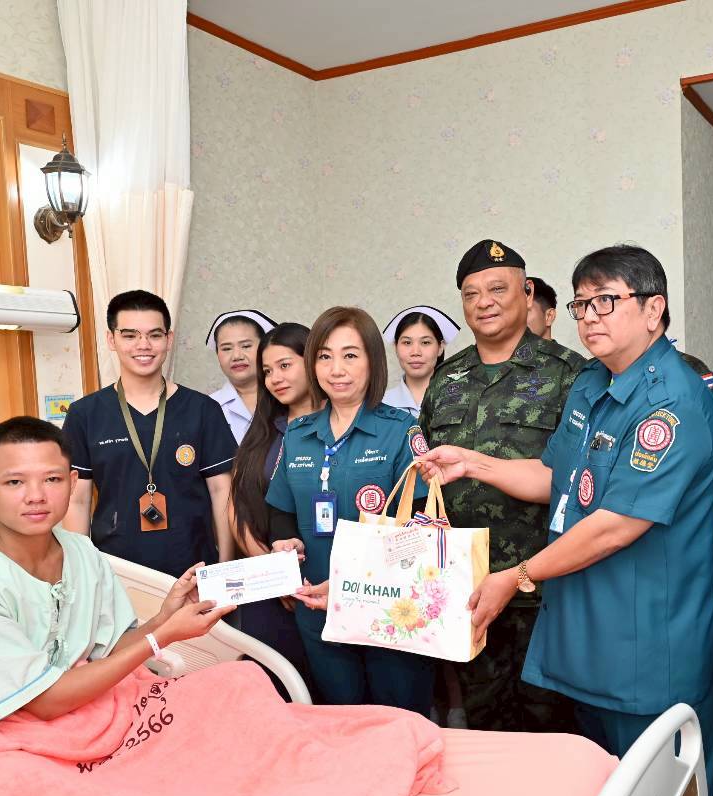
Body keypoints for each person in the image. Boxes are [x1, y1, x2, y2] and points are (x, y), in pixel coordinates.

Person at [420, 244, 713, 796]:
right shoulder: (591, 386)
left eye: (606, 301)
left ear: (654, 310)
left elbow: (615, 525)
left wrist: (517, 575)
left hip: (645, 646)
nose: (589, 317)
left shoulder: (672, 402)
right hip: (585, 635)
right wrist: (472, 463)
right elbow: (553, 477)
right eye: (583, 304)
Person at [0, 417, 232, 762]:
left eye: (52, 479)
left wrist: (163, 618)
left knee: (234, 687)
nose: (36, 496)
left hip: (72, 712)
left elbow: (109, 649)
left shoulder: (83, 553)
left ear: (73, 482)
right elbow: (45, 701)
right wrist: (162, 637)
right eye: (15, 482)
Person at [418, 239, 587, 733]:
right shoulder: (447, 378)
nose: (484, 303)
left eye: (497, 289)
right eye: (471, 294)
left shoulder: (571, 374)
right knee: (485, 729)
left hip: (547, 590)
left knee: (554, 729)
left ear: (527, 292)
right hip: (466, 591)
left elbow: (582, 483)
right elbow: (425, 476)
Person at [266, 307, 434, 713]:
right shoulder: (299, 434)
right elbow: (281, 510)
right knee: (341, 720)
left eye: (350, 355)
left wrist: (352, 583)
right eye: (324, 356)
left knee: (398, 721)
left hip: (390, 609)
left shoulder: (401, 430)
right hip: (318, 609)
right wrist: (284, 541)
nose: (336, 369)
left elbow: (422, 528)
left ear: (372, 361)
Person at [63, 290, 237, 576]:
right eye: (130, 335)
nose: (143, 345)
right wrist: (83, 573)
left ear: (168, 339)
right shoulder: (85, 414)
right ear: (111, 340)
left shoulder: (203, 410)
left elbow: (222, 492)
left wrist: (225, 569)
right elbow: (77, 500)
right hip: (117, 570)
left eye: (154, 335)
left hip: (194, 567)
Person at [229, 322, 314, 699]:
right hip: (266, 585)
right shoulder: (263, 431)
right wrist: (273, 573)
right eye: (267, 371)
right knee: (273, 693)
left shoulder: (339, 427)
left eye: (285, 365)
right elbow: (237, 508)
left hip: (323, 585)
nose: (275, 378)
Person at [206, 310, 277, 444]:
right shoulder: (207, 407)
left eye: (246, 346)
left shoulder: (285, 397)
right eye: (227, 349)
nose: (237, 356)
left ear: (264, 349)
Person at [381, 305, 460, 416]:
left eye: (425, 342)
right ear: (396, 347)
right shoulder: (381, 404)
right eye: (407, 342)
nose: (415, 352)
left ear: (440, 347)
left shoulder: (460, 398)